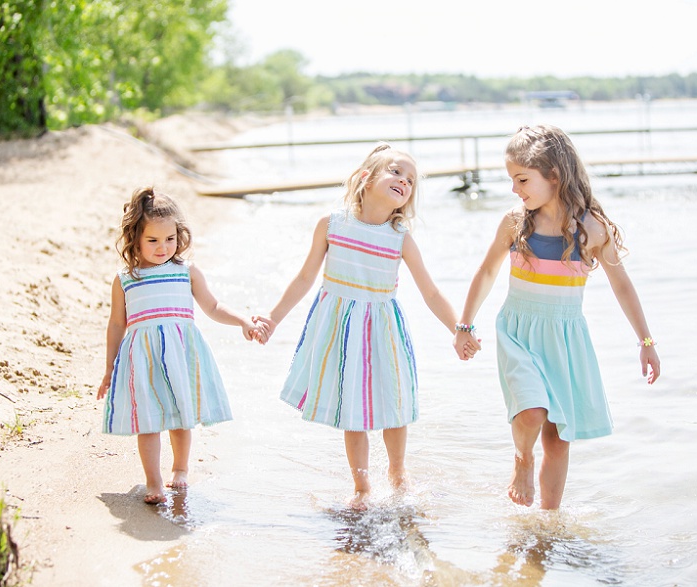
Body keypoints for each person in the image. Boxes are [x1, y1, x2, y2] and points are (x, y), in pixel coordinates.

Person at [254, 143, 479, 509]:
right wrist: (274, 318)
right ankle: (361, 486)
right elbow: (304, 278)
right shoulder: (332, 224)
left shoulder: (400, 238)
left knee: (393, 402)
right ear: (366, 177)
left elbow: (432, 292)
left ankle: (398, 472)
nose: (403, 181)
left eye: (410, 180)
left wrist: (460, 327)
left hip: (383, 329)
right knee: (352, 410)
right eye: (395, 172)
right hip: (341, 331)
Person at [453, 125, 660, 510]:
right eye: (512, 180)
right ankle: (522, 459)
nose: (515, 189)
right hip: (518, 333)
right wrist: (464, 325)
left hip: (565, 340)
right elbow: (485, 273)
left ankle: (549, 523)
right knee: (531, 413)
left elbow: (622, 285)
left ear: (554, 175)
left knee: (558, 437)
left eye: (522, 179)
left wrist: (646, 343)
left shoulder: (591, 229)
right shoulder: (516, 223)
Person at [97, 187, 263, 504]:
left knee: (180, 415)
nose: (163, 247)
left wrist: (243, 320)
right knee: (148, 422)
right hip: (142, 359)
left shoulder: (187, 272)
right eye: (152, 240)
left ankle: (180, 469)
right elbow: (117, 323)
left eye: (170, 239)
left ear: (179, 235)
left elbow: (213, 307)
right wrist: (110, 367)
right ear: (135, 238)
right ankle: (153, 482)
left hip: (180, 355)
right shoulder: (126, 278)